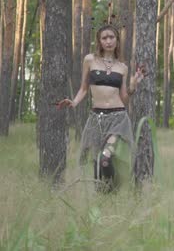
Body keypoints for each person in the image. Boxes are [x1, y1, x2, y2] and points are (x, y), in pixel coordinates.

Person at [58, 24, 145, 192]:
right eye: (104, 38)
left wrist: (134, 85)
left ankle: (114, 190)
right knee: (97, 161)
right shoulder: (90, 60)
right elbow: (84, 88)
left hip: (118, 118)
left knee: (105, 157)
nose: (108, 41)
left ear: (117, 40)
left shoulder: (123, 67)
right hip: (96, 118)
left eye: (111, 37)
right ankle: (102, 196)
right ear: (99, 41)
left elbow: (124, 98)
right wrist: (74, 102)